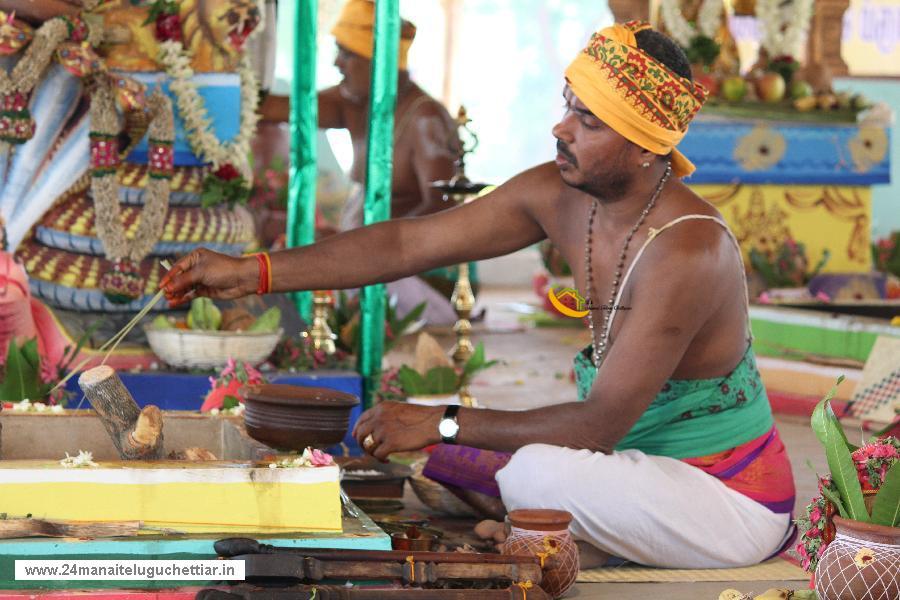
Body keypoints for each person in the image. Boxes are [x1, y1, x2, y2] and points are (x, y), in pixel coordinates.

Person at [161, 21, 796, 569]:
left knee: (531, 470)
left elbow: (599, 425)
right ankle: (573, 529)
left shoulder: (687, 249)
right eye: (567, 104)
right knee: (469, 458)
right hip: (631, 473)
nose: (560, 127)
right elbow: (407, 246)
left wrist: (437, 419)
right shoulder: (559, 192)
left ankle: (563, 523)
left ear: (642, 147)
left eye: (587, 119)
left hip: (728, 497)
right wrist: (253, 271)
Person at [260, 0, 467, 324]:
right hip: (364, 261)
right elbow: (275, 109)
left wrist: (362, 248)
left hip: (414, 279)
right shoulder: (353, 103)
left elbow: (445, 211)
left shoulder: (424, 118)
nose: (336, 62)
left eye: (346, 53)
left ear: (377, 62)